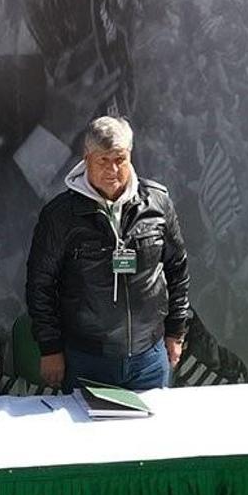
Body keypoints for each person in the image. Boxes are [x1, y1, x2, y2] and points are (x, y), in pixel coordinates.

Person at [25, 116, 190, 391]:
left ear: (130, 155)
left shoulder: (157, 203)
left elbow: (177, 269)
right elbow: (40, 284)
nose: (113, 169)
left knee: (152, 422)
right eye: (103, 160)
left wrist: (176, 331)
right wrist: (50, 348)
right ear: (86, 158)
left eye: (120, 159)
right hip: (86, 359)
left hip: (149, 358)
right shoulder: (60, 216)